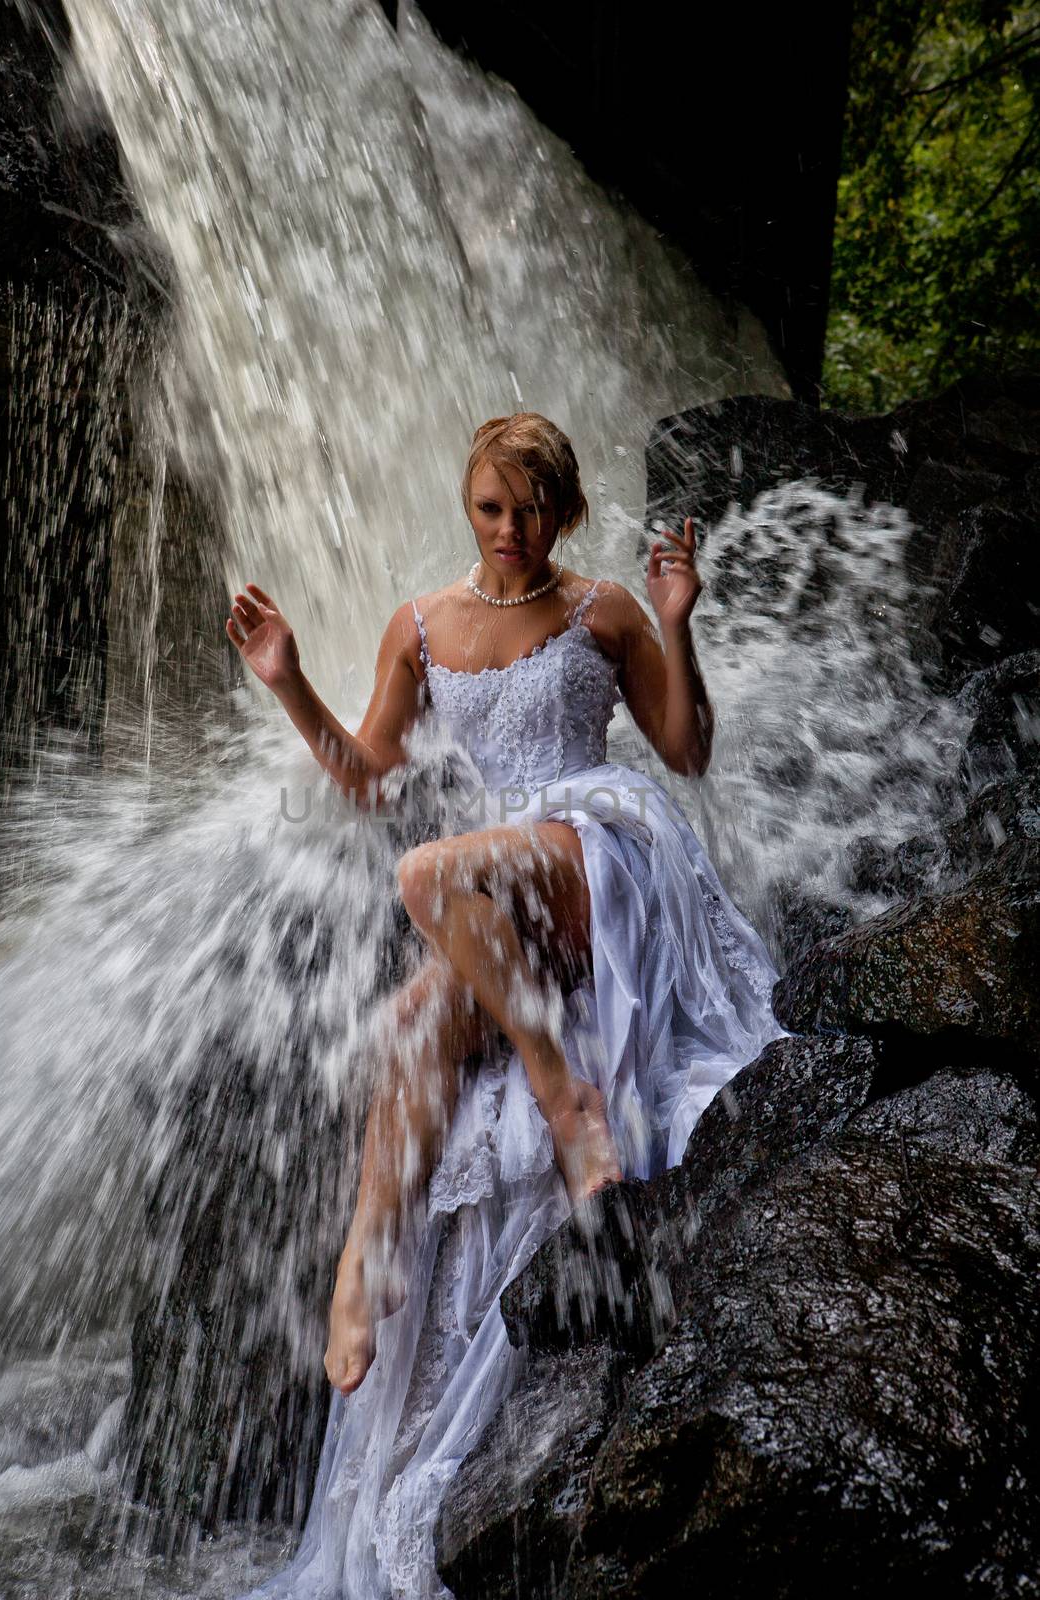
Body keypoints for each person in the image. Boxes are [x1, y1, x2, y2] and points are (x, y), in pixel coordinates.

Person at [226, 413, 785, 1599]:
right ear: (467, 503)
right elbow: (369, 782)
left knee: (426, 872)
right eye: (490, 507)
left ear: (564, 513)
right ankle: (363, 1264)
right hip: (500, 894)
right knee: (413, 1023)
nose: (510, 530)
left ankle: (557, 1086)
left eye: (531, 510)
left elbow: (681, 750)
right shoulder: (421, 625)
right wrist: (288, 683)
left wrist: (677, 628)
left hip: (599, 855)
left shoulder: (602, 615)